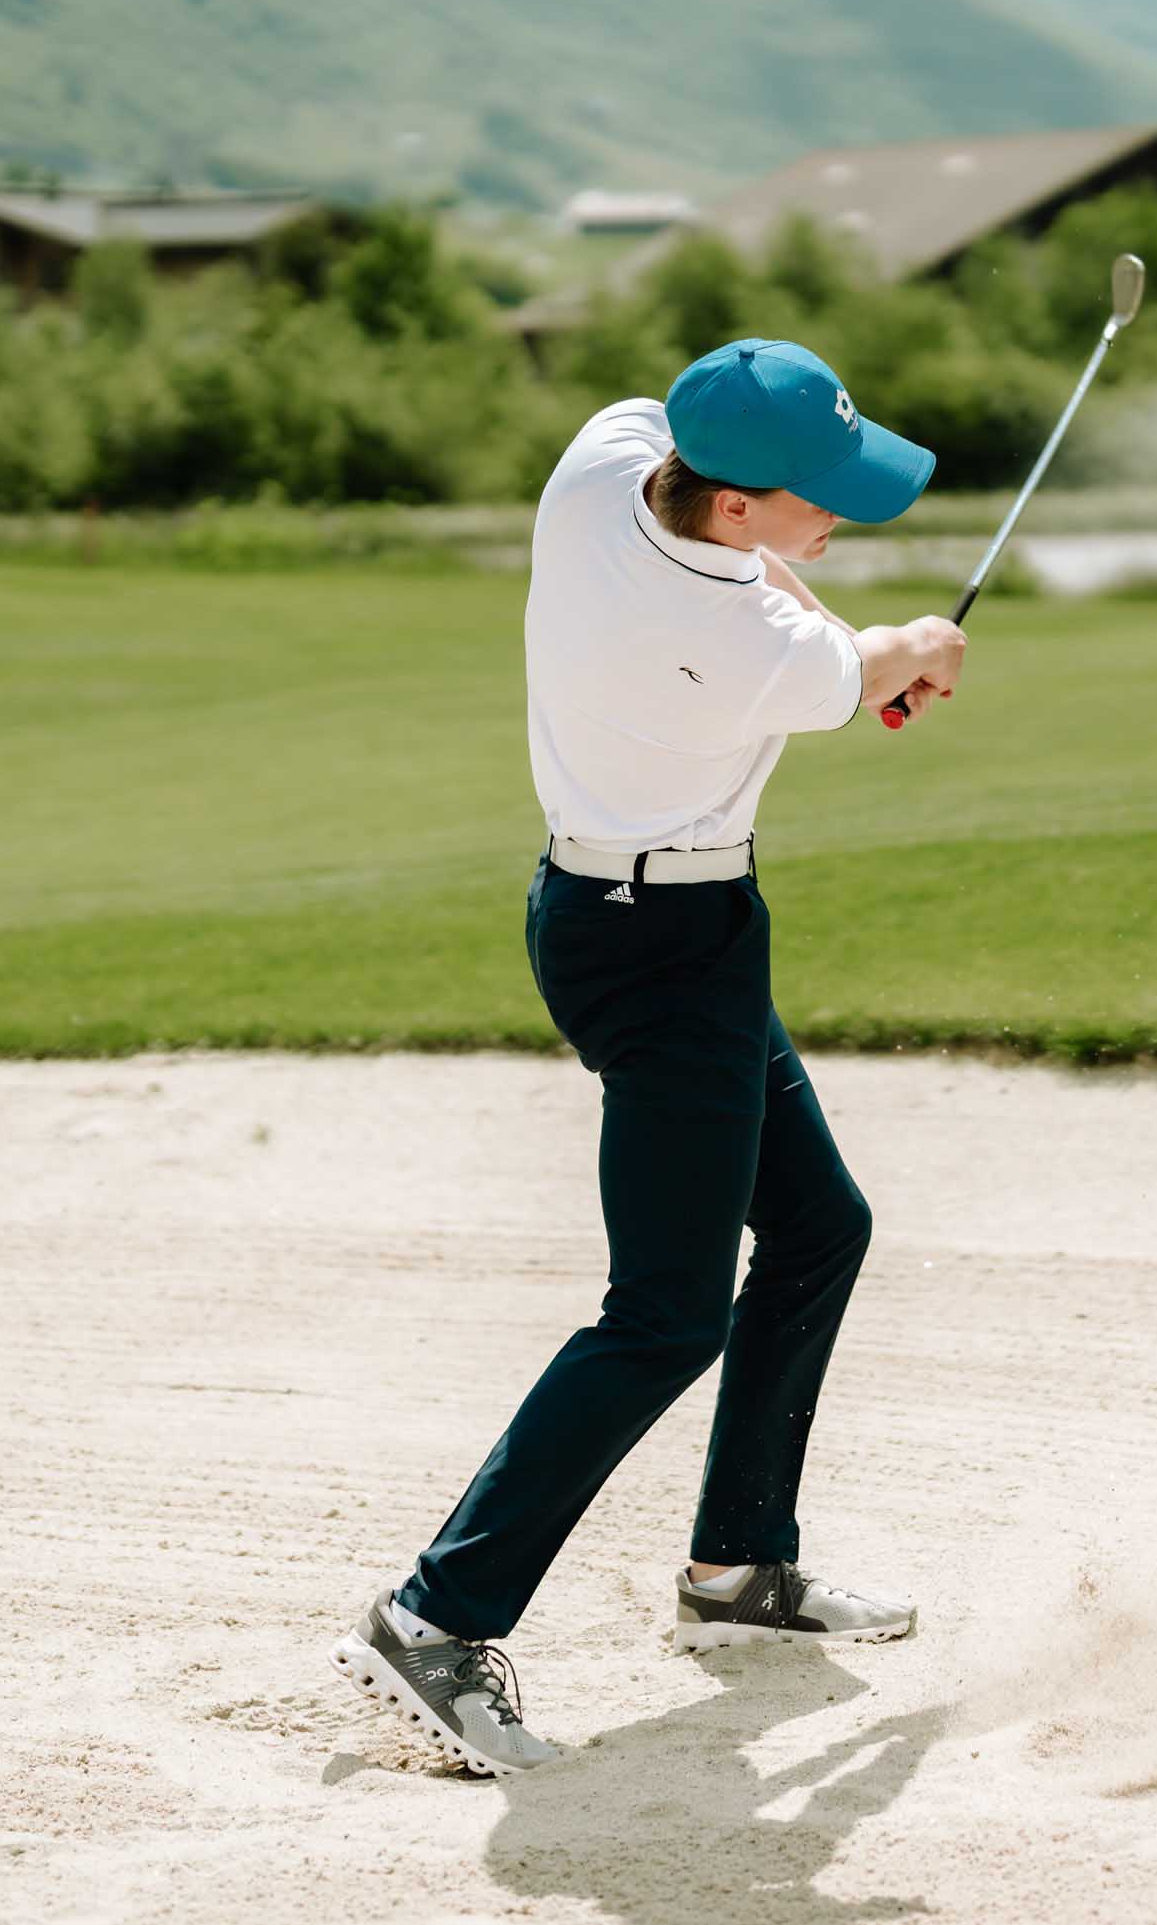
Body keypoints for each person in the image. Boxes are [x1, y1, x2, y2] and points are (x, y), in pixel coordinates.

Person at [336, 338, 969, 1777]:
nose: (840, 521)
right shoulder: (756, 646)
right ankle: (433, 1615)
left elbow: (809, 630)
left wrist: (855, 642)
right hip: (659, 946)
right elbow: (855, 661)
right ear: (737, 507)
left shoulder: (608, 462)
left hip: (643, 915)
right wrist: (921, 645)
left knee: (819, 1224)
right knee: (667, 1309)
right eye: (817, 502)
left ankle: (741, 1567)